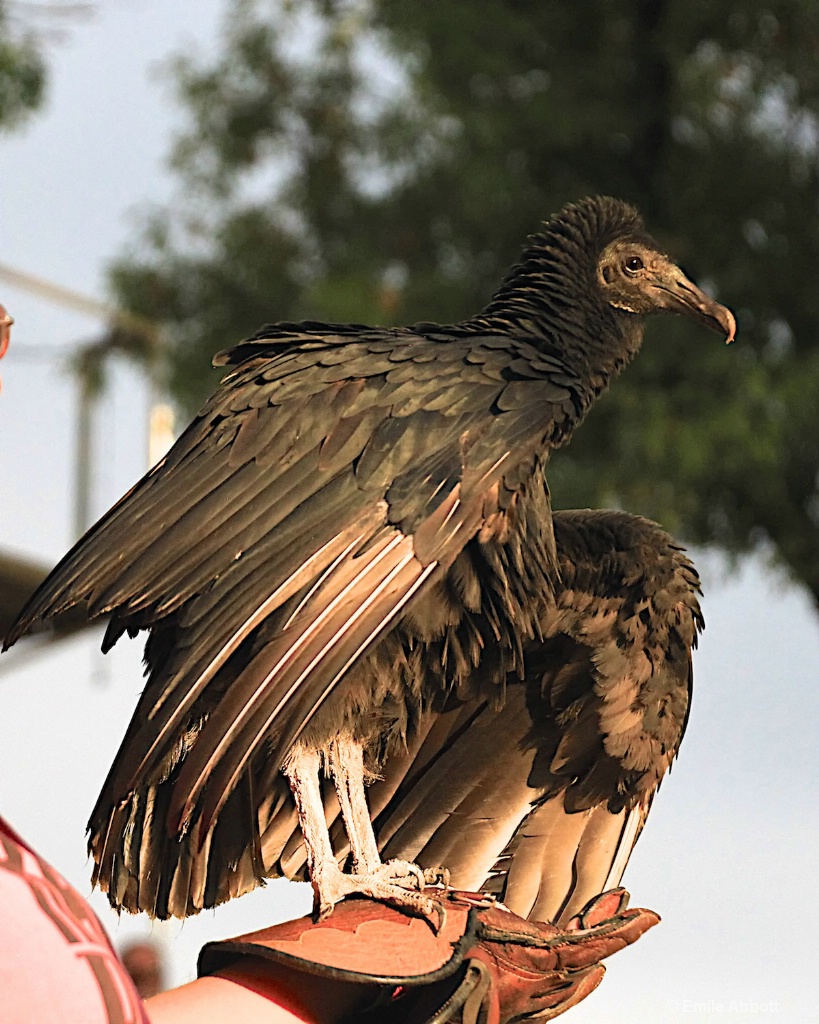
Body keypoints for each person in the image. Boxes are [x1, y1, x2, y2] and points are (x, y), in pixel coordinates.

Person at [0, 302, 658, 1024]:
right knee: (335, 659)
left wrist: (355, 972)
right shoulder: (454, 400)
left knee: (643, 588)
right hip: (277, 624)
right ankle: (340, 860)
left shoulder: (498, 445)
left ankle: (354, 863)